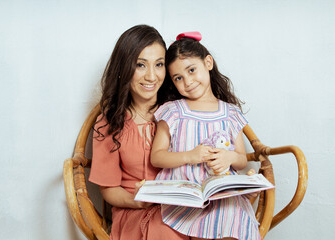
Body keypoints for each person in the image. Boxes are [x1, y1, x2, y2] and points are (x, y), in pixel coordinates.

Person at [151, 32, 261, 240]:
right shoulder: (173, 111)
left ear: (208, 62)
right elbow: (157, 157)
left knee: (232, 219)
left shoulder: (230, 113)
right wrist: (189, 156)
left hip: (221, 194)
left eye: (192, 70)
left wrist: (229, 158)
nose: (188, 81)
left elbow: (241, 160)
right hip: (185, 197)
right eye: (178, 78)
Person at [88, 25, 189, 240]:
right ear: (124, 68)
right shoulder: (110, 122)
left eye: (159, 64)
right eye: (140, 65)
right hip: (136, 211)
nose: (151, 76)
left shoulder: (180, 110)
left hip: (184, 208)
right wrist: (138, 200)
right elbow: (108, 189)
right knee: (165, 230)